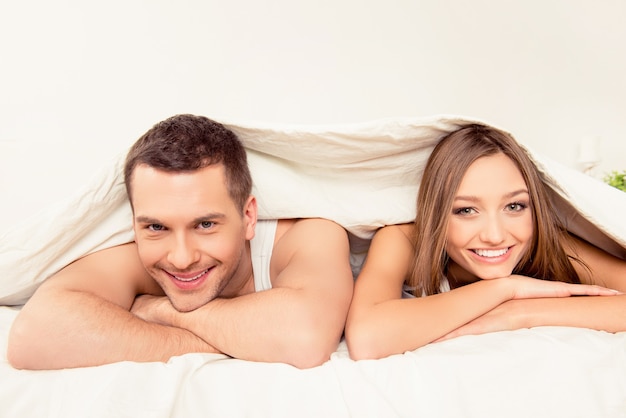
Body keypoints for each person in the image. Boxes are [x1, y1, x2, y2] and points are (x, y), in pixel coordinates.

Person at [8, 114, 354, 370]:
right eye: (157, 226)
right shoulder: (142, 254)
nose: (181, 258)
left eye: (205, 224)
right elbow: (33, 335)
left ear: (248, 217)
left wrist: (157, 310)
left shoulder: (307, 235)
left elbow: (305, 337)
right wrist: (229, 338)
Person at [346, 123, 626, 360]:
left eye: (514, 207)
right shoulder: (404, 239)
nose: (494, 235)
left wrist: (521, 313)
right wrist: (507, 288)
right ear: (437, 212)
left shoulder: (551, 244)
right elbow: (367, 337)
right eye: (466, 210)